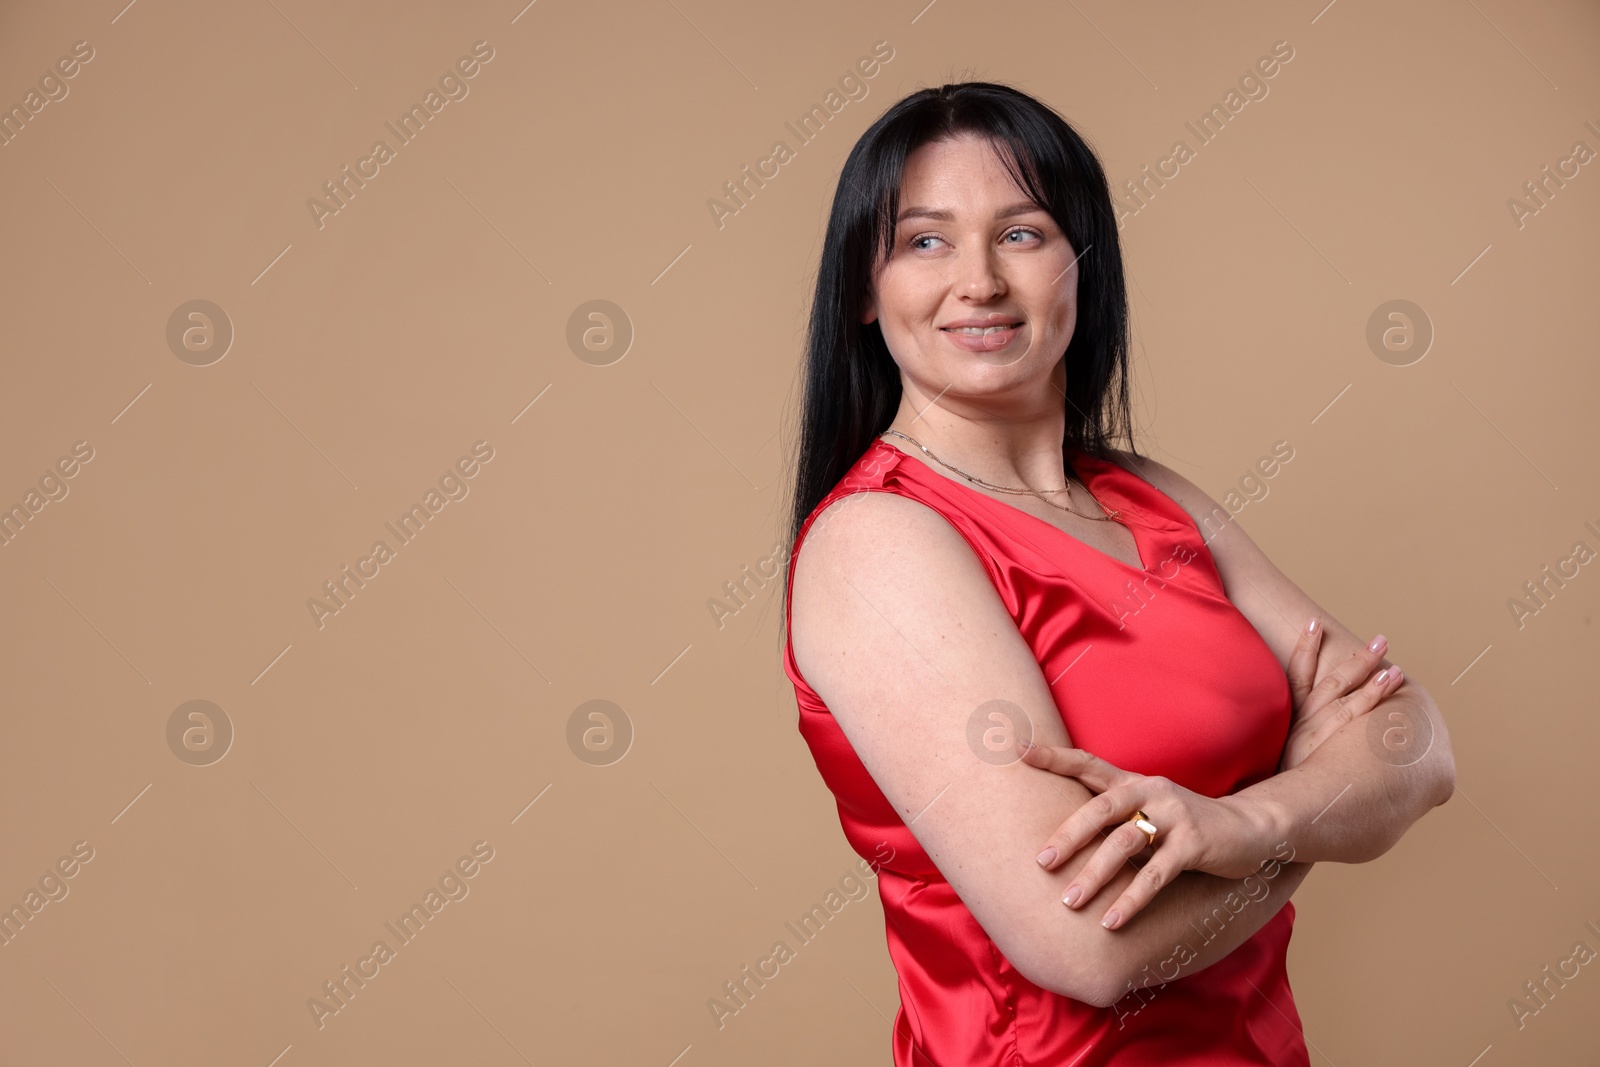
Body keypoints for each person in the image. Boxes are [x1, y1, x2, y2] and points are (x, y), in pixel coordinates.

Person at [780, 81, 1455, 1066]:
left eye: (1021, 233)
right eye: (924, 240)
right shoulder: (879, 542)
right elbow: (1087, 944)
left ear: (1082, 264)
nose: (978, 281)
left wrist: (1239, 819)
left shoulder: (1151, 495)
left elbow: (1417, 744)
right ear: (861, 288)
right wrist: (1315, 806)